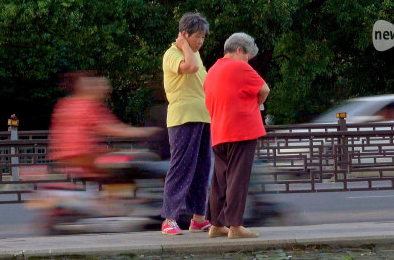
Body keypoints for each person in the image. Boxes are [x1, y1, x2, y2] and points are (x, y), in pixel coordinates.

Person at [203, 32, 270, 239]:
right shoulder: (240, 66)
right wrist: (254, 105)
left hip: (219, 131)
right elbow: (264, 89)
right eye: (247, 56)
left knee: (220, 179)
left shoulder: (212, 71)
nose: (248, 61)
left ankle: (216, 225)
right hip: (242, 129)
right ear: (239, 50)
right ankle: (236, 226)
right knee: (238, 179)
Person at [49, 71, 157, 180]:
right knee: (137, 160)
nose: (106, 92)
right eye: (104, 89)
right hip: (84, 159)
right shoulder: (89, 104)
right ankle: (120, 194)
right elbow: (114, 129)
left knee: (119, 155)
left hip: (65, 159)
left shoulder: (65, 103)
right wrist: (147, 131)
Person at [160, 12, 213, 235]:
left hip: (203, 117)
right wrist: (183, 46)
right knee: (181, 168)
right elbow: (190, 68)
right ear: (184, 34)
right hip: (183, 118)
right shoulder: (172, 54)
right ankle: (169, 219)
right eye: (197, 37)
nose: (200, 42)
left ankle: (198, 218)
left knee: (202, 169)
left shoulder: (195, 55)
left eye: (203, 37)